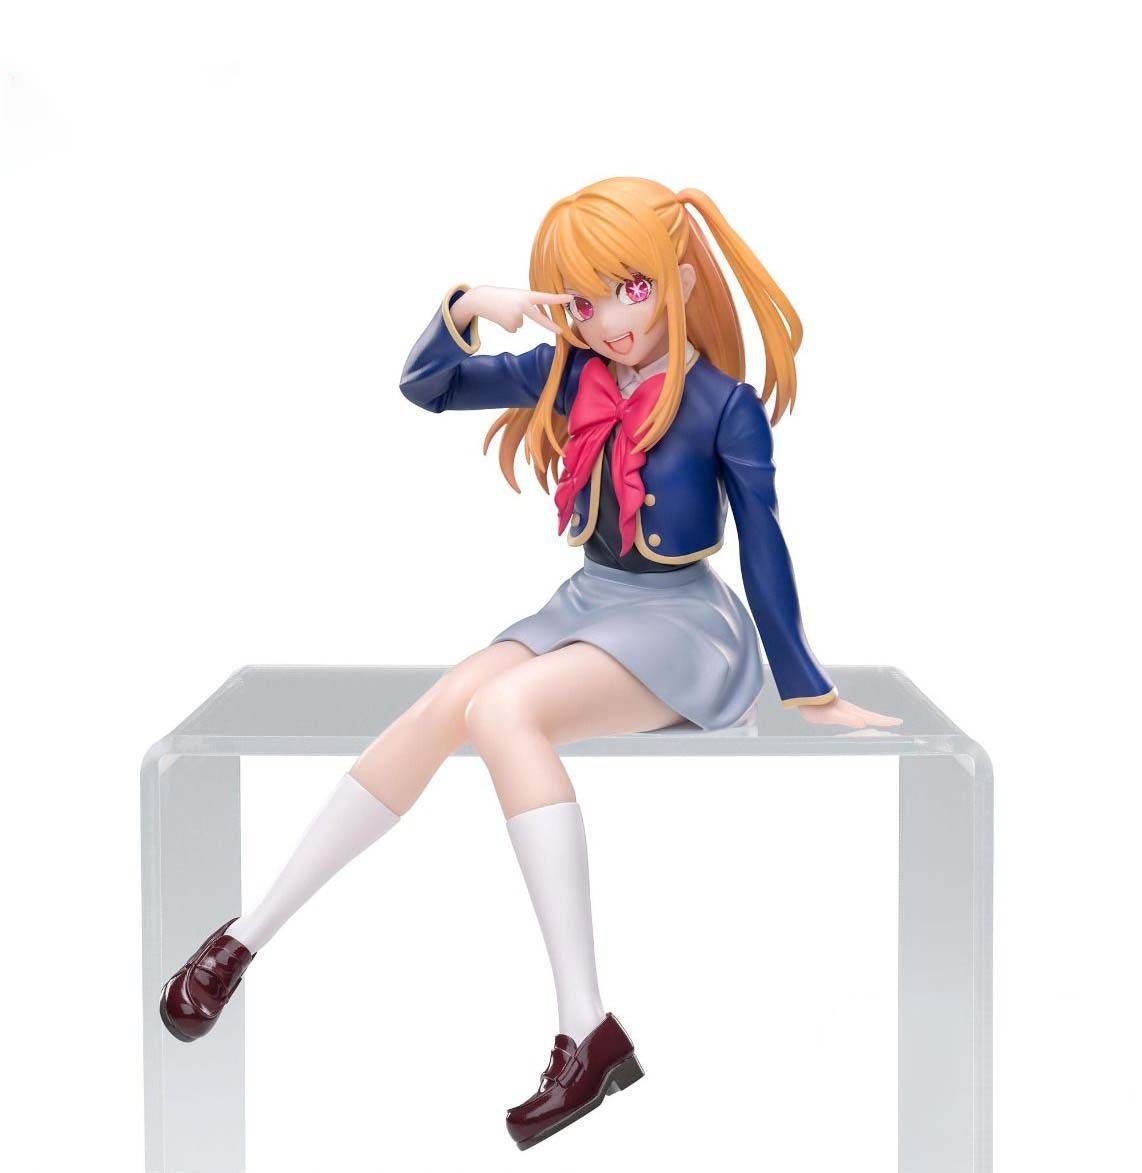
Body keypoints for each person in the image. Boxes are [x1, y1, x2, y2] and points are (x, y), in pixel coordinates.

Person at [159, 176, 900, 1151]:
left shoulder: (722, 404)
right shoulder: (565, 371)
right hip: (588, 603)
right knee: (447, 703)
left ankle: (584, 1023)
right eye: (583, 299)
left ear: (678, 282)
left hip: (684, 627)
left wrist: (806, 686)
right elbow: (428, 387)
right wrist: (470, 305)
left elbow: (764, 547)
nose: (608, 320)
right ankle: (247, 934)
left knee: (504, 711)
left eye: (630, 289)